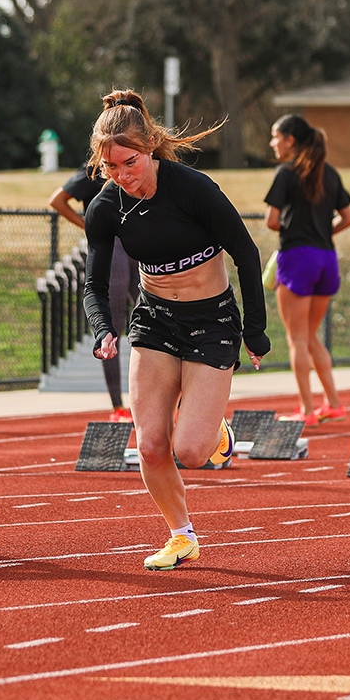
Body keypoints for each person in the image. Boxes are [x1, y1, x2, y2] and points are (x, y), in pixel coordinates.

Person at [83, 90, 270, 570]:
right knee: (149, 443)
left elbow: (246, 255)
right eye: (111, 168)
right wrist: (103, 327)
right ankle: (181, 534)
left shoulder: (194, 188)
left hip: (212, 320)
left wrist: (255, 329)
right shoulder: (105, 208)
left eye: (130, 163)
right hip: (155, 320)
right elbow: (94, 283)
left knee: (190, 450)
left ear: (149, 146)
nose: (123, 176)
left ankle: (216, 433)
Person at [48, 93, 148, 423]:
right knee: (111, 328)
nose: (120, 172)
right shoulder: (94, 169)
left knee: (158, 319)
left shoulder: (154, 163)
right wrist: (91, 227)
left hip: (146, 246)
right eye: (111, 165)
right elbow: (58, 200)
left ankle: (162, 403)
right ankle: (119, 405)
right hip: (117, 248)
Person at [263, 113, 350, 424]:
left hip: (298, 258)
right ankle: (334, 403)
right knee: (311, 336)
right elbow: (348, 218)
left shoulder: (287, 173)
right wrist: (323, 233)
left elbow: (272, 220)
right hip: (327, 258)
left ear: (290, 140)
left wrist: (296, 232)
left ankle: (305, 410)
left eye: (275, 137)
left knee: (297, 339)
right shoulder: (330, 173)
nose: (272, 143)